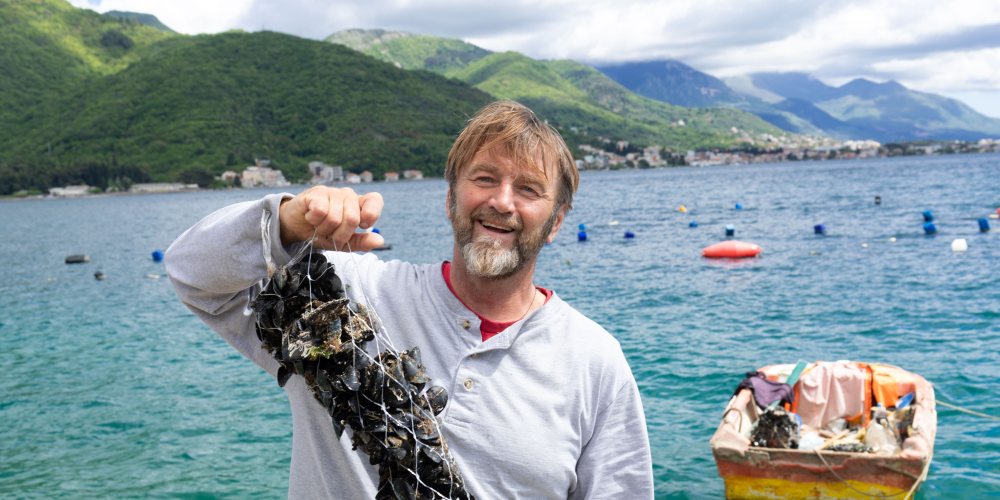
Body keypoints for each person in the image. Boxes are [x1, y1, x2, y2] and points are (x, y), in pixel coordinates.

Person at [166, 100, 653, 499]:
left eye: (528, 189)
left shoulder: (594, 361)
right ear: (449, 198)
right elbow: (192, 272)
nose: (502, 201)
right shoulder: (339, 292)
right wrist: (288, 221)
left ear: (557, 221)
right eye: (484, 179)